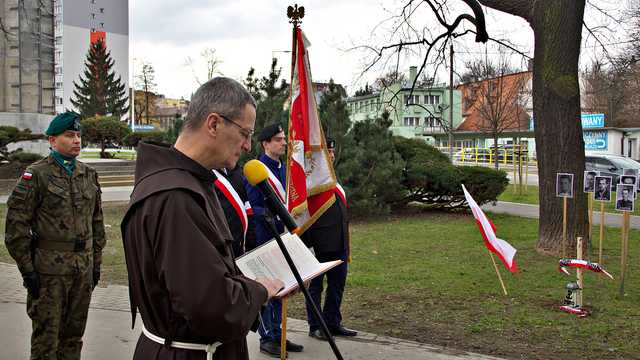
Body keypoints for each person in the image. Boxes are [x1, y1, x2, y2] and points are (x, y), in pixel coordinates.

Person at [121, 77, 284, 360]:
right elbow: (211, 307)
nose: (248, 145)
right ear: (213, 124)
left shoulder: (187, 182)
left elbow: (201, 275)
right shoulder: (176, 197)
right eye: (245, 133)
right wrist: (261, 291)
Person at [4, 111, 105, 359]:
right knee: (46, 342)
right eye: (70, 135)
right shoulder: (36, 175)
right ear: (52, 140)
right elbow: (15, 229)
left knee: (73, 339)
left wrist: (95, 265)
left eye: (79, 135)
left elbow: (97, 224)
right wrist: (29, 271)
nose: (77, 140)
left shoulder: (88, 174)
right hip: (49, 274)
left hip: (82, 271)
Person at [244, 123, 304, 357]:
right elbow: (252, 205)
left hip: (283, 236)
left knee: (282, 286)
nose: (283, 142)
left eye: (283, 139)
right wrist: (269, 215)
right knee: (268, 289)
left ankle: (279, 334)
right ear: (266, 143)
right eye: (278, 139)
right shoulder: (258, 169)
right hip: (265, 237)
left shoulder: (283, 169)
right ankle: (267, 336)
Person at [301, 138, 357, 341]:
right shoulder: (312, 182)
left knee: (337, 285)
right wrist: (309, 247)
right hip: (320, 245)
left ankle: (332, 322)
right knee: (316, 287)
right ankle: (315, 325)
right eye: (327, 152)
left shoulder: (333, 180)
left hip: (339, 244)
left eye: (332, 152)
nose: (331, 155)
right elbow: (305, 216)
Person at [213, 166, 256, 256]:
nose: (248, 150)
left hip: (243, 247)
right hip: (224, 253)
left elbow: (247, 207)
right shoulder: (205, 177)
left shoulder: (237, 173)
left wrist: (250, 244)